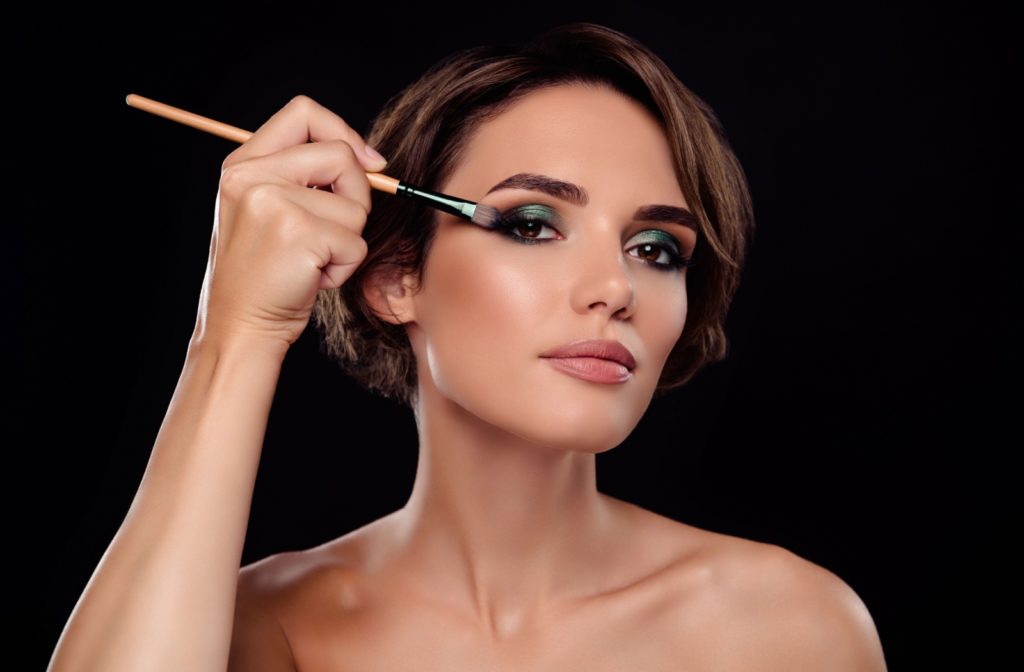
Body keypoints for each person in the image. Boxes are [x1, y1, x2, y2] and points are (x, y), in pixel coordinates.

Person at [48, 22, 887, 672]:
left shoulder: (784, 627)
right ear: (396, 276)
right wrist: (234, 335)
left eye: (655, 248)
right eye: (532, 224)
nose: (615, 288)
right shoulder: (265, 631)